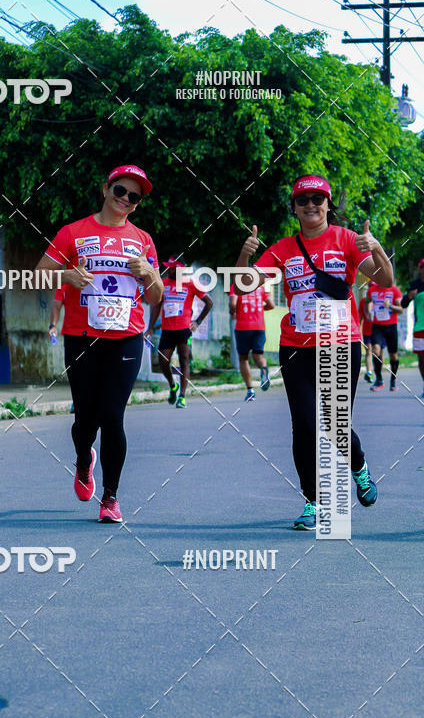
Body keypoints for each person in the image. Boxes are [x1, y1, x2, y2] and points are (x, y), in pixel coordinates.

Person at [237, 174, 394, 530]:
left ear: (328, 205)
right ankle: (313, 501)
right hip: (296, 348)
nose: (311, 205)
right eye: (303, 199)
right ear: (294, 207)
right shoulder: (282, 248)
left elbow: (384, 281)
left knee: (337, 425)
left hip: (341, 344)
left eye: (318, 199)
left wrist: (378, 248)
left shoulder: (348, 240)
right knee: (305, 425)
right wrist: (245, 256)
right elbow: (244, 284)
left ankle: (360, 468)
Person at [34, 164, 163, 522]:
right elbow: (38, 273)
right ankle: (83, 458)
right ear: (106, 189)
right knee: (85, 419)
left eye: (134, 197)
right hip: (82, 336)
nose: (126, 200)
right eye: (120, 191)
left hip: (127, 337)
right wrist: (67, 275)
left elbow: (155, 297)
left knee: (113, 416)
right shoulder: (73, 232)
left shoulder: (143, 240)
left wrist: (150, 273)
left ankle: (111, 497)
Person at [147, 257, 213, 408]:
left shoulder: (190, 284)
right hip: (167, 330)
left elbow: (209, 302)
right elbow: (156, 306)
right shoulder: (163, 284)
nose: (169, 270)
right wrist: (150, 327)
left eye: (172, 268)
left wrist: (197, 321)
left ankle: (182, 396)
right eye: (169, 267)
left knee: (184, 360)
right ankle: (173, 385)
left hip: (184, 329)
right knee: (163, 362)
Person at [229, 284, 274, 401]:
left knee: (243, 359)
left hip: (243, 328)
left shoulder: (235, 287)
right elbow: (271, 305)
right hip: (259, 327)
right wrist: (258, 309)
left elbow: (233, 304)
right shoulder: (260, 288)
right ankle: (263, 369)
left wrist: (234, 311)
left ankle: (250, 391)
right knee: (258, 356)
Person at [366, 277, 403, 391]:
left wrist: (390, 306)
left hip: (391, 326)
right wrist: (368, 312)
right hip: (377, 326)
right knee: (375, 351)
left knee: (393, 355)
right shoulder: (372, 290)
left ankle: (393, 379)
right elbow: (368, 302)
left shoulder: (394, 290)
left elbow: (401, 309)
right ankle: (379, 380)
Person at [48, 285, 74, 412]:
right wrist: (52, 326)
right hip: (74, 337)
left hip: (100, 334)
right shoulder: (65, 285)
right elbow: (56, 305)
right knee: (76, 371)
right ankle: (78, 400)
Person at [401, 257, 424, 398]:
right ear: (420, 269)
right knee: (422, 360)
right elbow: (403, 305)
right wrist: (409, 296)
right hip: (419, 327)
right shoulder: (414, 285)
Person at [357, 287, 374, 382]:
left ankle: (378, 373)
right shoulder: (363, 301)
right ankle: (369, 372)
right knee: (369, 351)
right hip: (367, 331)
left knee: (379, 352)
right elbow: (360, 317)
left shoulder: (380, 299)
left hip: (379, 330)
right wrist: (357, 330)